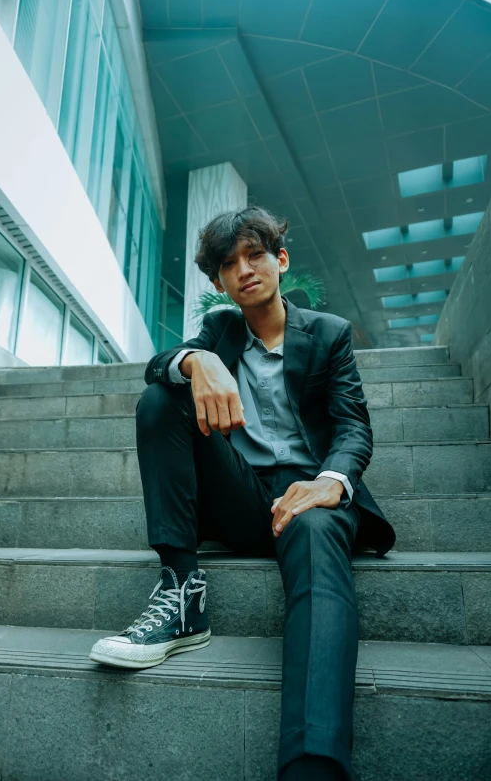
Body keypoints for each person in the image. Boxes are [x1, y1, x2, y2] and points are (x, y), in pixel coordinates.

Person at [89, 205, 396, 781]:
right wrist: (194, 359)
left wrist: (330, 482)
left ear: (280, 260)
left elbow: (353, 425)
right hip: (243, 494)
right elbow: (159, 367)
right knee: (161, 398)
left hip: (311, 493)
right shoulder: (222, 331)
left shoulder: (327, 334)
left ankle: (313, 764)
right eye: (229, 264)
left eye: (255, 255)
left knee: (316, 541)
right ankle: (182, 589)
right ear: (219, 283)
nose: (245, 269)